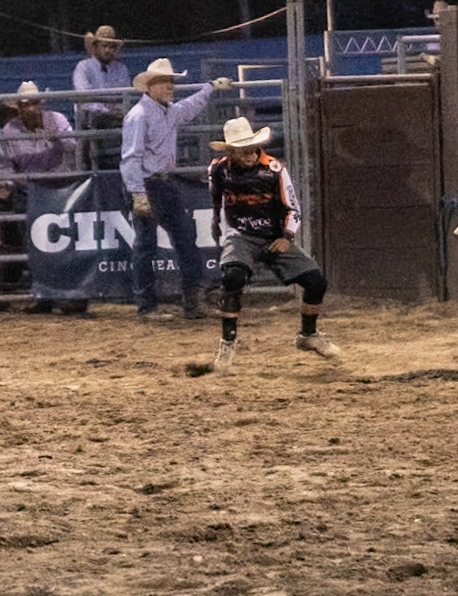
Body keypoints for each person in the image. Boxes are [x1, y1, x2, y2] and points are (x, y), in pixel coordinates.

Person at [208, 116, 338, 370]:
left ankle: (308, 335)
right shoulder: (218, 169)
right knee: (233, 277)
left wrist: (286, 236)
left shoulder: (274, 170)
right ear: (231, 150)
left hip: (273, 235)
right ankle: (227, 345)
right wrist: (216, 221)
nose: (248, 152)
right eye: (241, 148)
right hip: (240, 233)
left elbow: (292, 207)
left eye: (251, 146)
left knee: (316, 281)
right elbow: (215, 197)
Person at [120, 59, 234, 320]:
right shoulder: (139, 116)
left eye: (171, 81)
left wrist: (210, 88)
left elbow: (188, 107)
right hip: (149, 184)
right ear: (150, 86)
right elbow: (130, 158)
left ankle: (191, 303)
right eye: (165, 81)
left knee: (182, 240)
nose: (170, 86)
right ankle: (149, 307)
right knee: (148, 245)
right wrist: (138, 193)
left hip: (163, 182)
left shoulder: (166, 111)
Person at [0, 82, 82, 313]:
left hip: (60, 189)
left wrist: (55, 136)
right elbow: (5, 165)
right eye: (26, 104)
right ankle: (44, 293)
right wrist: (7, 182)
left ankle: (71, 295)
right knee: (34, 243)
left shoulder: (57, 120)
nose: (31, 109)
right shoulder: (9, 130)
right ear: (19, 107)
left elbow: (74, 146)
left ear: (40, 104)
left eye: (34, 103)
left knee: (66, 242)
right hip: (29, 191)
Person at [73, 25, 131, 167]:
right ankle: (88, 169)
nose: (108, 50)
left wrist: (117, 111)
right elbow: (85, 97)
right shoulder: (83, 67)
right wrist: (109, 111)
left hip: (115, 117)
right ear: (95, 46)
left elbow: (125, 96)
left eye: (112, 47)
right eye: (104, 46)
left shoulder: (121, 69)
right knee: (93, 117)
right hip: (91, 118)